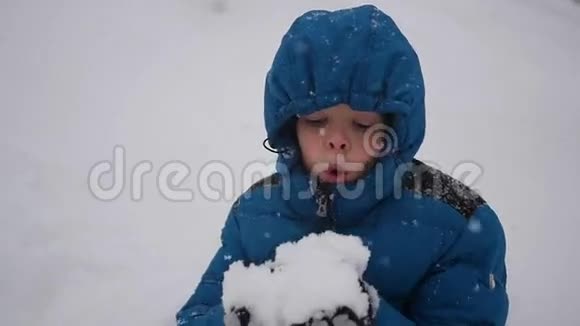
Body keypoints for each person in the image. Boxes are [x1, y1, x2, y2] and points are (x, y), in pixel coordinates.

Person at [176, 4, 509, 325]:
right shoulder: (253, 215)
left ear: (393, 130)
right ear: (289, 127)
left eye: (362, 124)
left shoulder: (457, 226)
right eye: (317, 119)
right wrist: (250, 315)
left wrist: (365, 314)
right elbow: (195, 315)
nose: (337, 141)